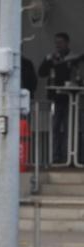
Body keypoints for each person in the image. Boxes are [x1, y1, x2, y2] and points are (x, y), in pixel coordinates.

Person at [38, 32, 84, 163]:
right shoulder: (52, 58)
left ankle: (68, 158)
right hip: (55, 99)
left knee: (70, 129)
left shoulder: (75, 59)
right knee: (54, 128)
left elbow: (78, 77)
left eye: (60, 42)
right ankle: (55, 157)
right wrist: (48, 60)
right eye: (56, 43)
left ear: (67, 43)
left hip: (71, 99)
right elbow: (41, 73)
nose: (58, 45)